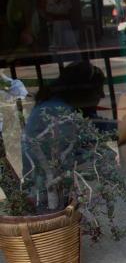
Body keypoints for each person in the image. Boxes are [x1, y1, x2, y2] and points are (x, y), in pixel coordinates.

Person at [21, 61, 117, 210]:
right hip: (50, 200)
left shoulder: (63, 106)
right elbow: (65, 163)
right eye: (98, 90)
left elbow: (99, 126)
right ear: (83, 91)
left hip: (54, 191)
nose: (102, 95)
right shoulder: (57, 112)